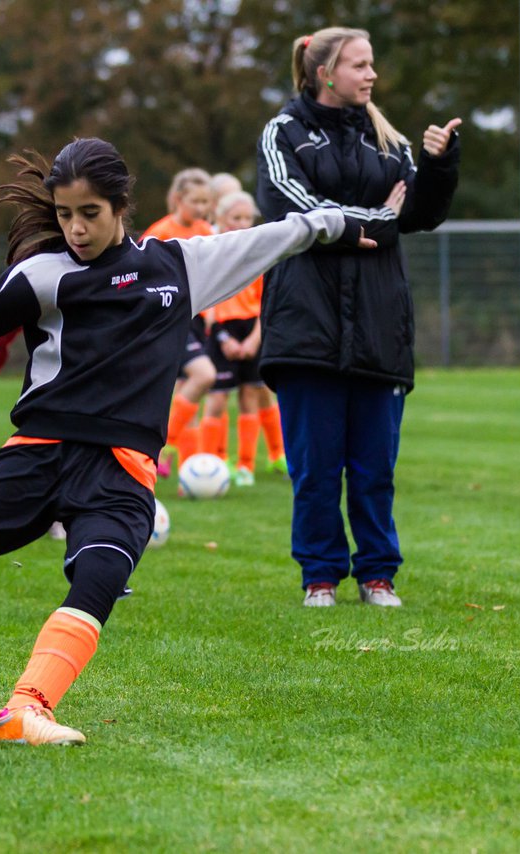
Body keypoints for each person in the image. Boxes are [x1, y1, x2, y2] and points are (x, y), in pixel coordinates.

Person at [0, 137, 372, 744]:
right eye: (64, 215)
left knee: (100, 576)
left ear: (120, 206)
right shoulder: (44, 276)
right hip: (40, 452)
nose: (76, 230)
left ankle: (26, 709)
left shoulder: (178, 266)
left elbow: (271, 239)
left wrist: (339, 225)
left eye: (90, 214)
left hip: (122, 469)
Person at [254, 27, 461, 607]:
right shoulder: (283, 132)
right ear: (326, 72)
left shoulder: (387, 139)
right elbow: (294, 209)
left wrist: (438, 166)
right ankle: (319, 576)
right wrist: (377, 221)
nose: (372, 76)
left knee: (375, 469)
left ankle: (378, 575)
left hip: (378, 327)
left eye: (372, 65)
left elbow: (416, 213)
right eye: (361, 65)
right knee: (315, 470)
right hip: (305, 327)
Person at [199, 191, 288, 485]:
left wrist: (253, 340)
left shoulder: (259, 258)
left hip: (251, 332)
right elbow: (207, 301)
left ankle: (246, 465)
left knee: (251, 395)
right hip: (223, 333)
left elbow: (266, 304)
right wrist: (223, 337)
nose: (240, 223)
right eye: (234, 218)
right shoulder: (213, 253)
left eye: (246, 218)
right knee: (217, 398)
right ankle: (207, 462)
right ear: (221, 220)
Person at [140, 168, 216, 475]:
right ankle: (156, 445)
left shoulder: (206, 231)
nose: (200, 208)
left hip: (196, 319)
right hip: (168, 319)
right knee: (204, 376)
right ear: (178, 198)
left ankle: (190, 473)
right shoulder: (159, 232)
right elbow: (140, 276)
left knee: (189, 394)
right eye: (195, 201)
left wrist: (211, 310)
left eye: (205, 201)